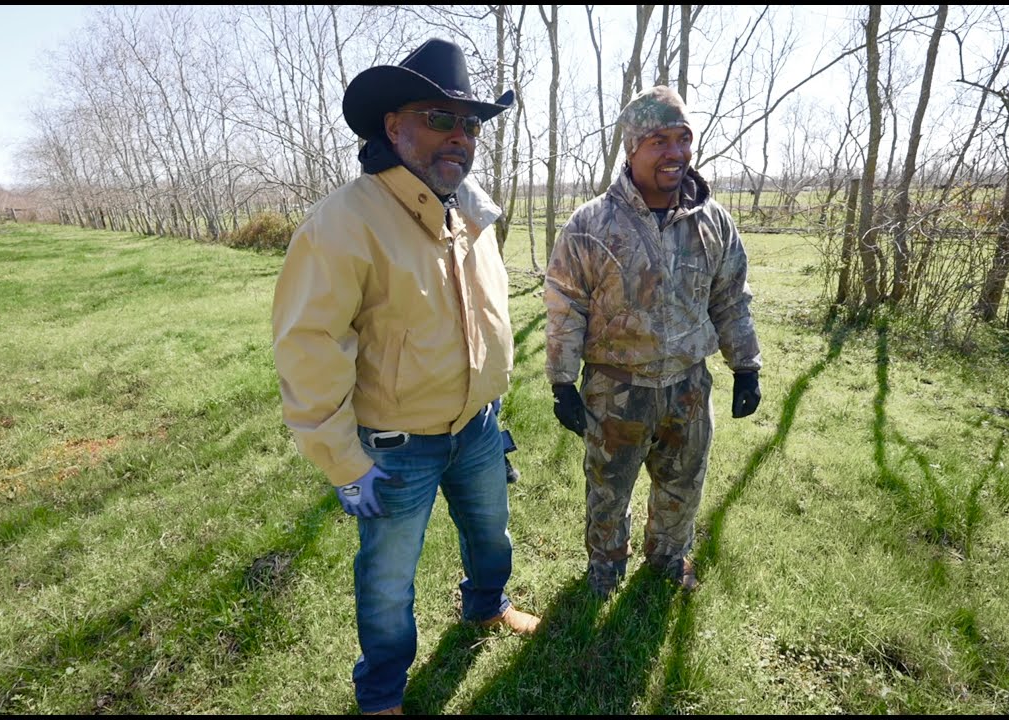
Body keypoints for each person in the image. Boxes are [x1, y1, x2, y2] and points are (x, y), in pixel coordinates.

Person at [271, 38, 539, 716]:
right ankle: (384, 694)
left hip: (476, 428)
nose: (460, 135)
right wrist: (342, 461)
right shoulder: (343, 222)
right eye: (439, 117)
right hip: (394, 445)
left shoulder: (470, 213)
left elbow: (481, 317)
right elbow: (309, 345)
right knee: (388, 581)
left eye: (470, 123)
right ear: (395, 126)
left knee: (491, 536)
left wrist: (491, 408)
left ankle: (487, 606)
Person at [543, 85, 763, 599]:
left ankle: (667, 557)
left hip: (688, 387)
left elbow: (731, 297)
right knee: (608, 489)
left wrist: (745, 366)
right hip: (617, 390)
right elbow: (564, 306)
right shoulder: (591, 224)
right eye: (659, 140)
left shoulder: (713, 222)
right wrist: (561, 381)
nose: (675, 153)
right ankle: (605, 567)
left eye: (683, 138)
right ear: (632, 148)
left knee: (682, 486)